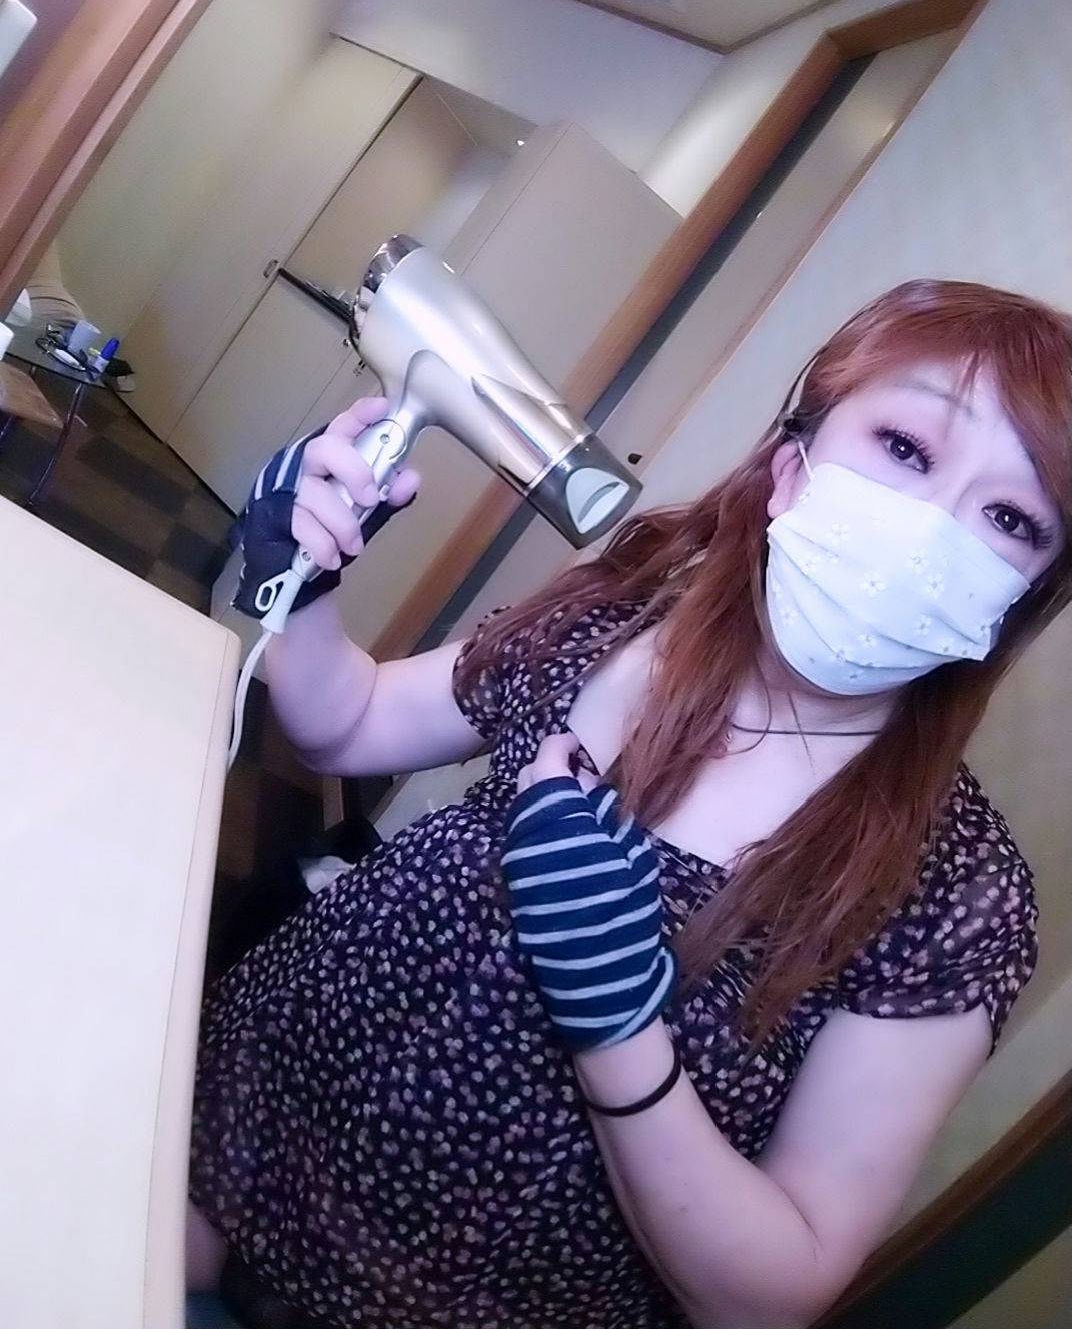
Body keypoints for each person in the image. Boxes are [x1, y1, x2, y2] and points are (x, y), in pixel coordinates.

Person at [187, 278, 1071, 1329]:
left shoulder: (956, 898)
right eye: (906, 449)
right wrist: (296, 577)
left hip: (455, 1301)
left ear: (1021, 594)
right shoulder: (626, 607)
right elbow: (352, 726)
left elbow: (769, 1299)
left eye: (1011, 518)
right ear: (794, 467)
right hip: (260, 1091)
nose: (928, 530)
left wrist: (615, 1021)